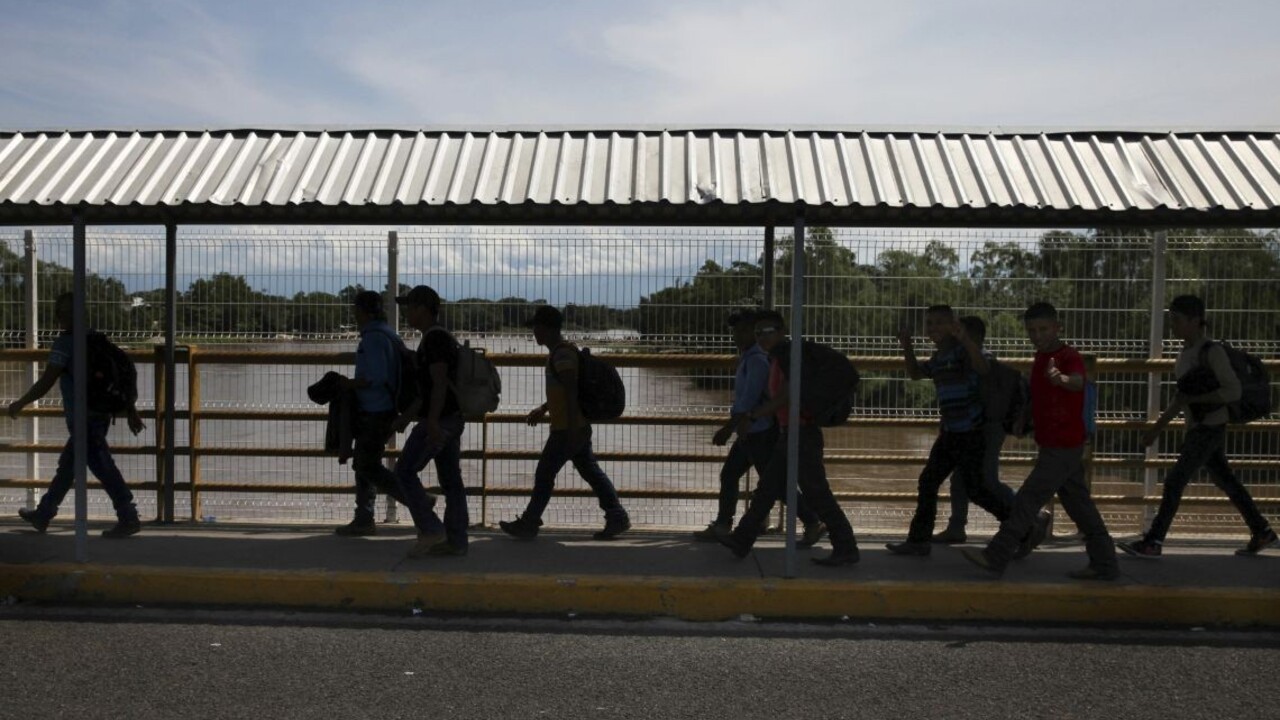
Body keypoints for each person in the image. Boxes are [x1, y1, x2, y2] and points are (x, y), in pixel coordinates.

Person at [962, 302, 1119, 580]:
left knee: (1028, 499)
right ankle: (1105, 563)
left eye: (1043, 329)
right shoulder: (1039, 359)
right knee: (1080, 506)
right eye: (1032, 330)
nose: (1037, 335)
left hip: (1064, 444)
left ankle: (996, 555)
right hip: (1053, 443)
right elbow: (1038, 396)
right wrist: (1024, 417)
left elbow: (1079, 382)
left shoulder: (1068, 356)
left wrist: (1062, 379)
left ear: (1058, 327)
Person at [1118, 295, 1277, 558]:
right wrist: (1157, 428)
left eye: (1177, 320)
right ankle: (1262, 531)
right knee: (1226, 480)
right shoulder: (1184, 355)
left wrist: (1195, 400)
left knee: (1174, 481)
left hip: (1209, 427)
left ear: (1195, 321)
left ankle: (1153, 541)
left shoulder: (1211, 352)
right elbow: (1181, 398)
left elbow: (1233, 391)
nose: (1173, 326)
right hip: (1198, 427)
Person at [718, 310, 861, 566]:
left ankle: (846, 546)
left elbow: (785, 396)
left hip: (802, 434)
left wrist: (752, 415)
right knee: (767, 489)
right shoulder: (776, 357)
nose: (762, 337)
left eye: (768, 331)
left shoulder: (786, 357)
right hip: (791, 433)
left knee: (816, 493)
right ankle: (741, 540)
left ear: (782, 332)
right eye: (758, 332)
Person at [9, 292, 144, 538]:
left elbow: (47, 381)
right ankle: (44, 513)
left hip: (83, 418)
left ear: (60, 316)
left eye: (60, 313)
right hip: (100, 414)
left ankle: (128, 515)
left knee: (103, 466)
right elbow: (118, 376)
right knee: (68, 467)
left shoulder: (66, 343)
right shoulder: (95, 339)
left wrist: (20, 403)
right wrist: (130, 410)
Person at [886, 307, 1016, 557]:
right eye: (929, 323)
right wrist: (907, 346)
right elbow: (915, 374)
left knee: (976, 489)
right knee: (928, 481)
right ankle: (918, 541)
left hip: (970, 433)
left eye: (939, 323)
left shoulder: (962, 353)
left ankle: (1021, 527)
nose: (933, 328)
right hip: (950, 433)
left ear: (953, 325)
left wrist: (965, 340)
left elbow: (983, 368)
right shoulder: (938, 358)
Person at [499, 305, 631, 540]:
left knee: (544, 474)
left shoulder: (562, 354)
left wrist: (570, 430)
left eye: (536, 327)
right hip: (573, 427)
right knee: (591, 473)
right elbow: (564, 390)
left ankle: (529, 523)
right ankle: (617, 515)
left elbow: (571, 391)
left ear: (548, 328)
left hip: (568, 429)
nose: (534, 333)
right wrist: (544, 408)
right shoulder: (560, 353)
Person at [698, 309, 826, 548]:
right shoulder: (751, 357)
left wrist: (728, 428)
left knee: (774, 485)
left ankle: (812, 521)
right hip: (751, 431)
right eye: (736, 331)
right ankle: (725, 525)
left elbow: (749, 399)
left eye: (744, 331)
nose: (737, 335)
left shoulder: (756, 360)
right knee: (735, 476)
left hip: (760, 432)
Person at [392, 285, 468, 557]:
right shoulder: (438, 338)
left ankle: (431, 529)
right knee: (451, 481)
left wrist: (432, 422)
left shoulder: (434, 340)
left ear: (423, 309)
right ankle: (457, 541)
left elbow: (438, 384)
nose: (406, 313)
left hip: (441, 420)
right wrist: (407, 417)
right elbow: (428, 391)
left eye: (410, 307)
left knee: (404, 471)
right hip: (451, 418)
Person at [932, 315, 1020, 544]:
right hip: (972, 429)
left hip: (989, 428)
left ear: (975, 338)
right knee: (960, 479)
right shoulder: (961, 358)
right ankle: (956, 526)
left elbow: (983, 368)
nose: (957, 338)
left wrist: (967, 344)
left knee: (987, 481)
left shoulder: (981, 357)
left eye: (961, 334)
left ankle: (1028, 516)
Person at [333, 290, 414, 536]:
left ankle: (417, 501)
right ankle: (364, 516)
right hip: (383, 408)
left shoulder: (373, 339)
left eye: (356, 308)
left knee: (365, 464)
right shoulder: (387, 334)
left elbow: (374, 378)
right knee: (366, 464)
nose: (354, 313)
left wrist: (349, 384)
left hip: (376, 410)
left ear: (364, 311)